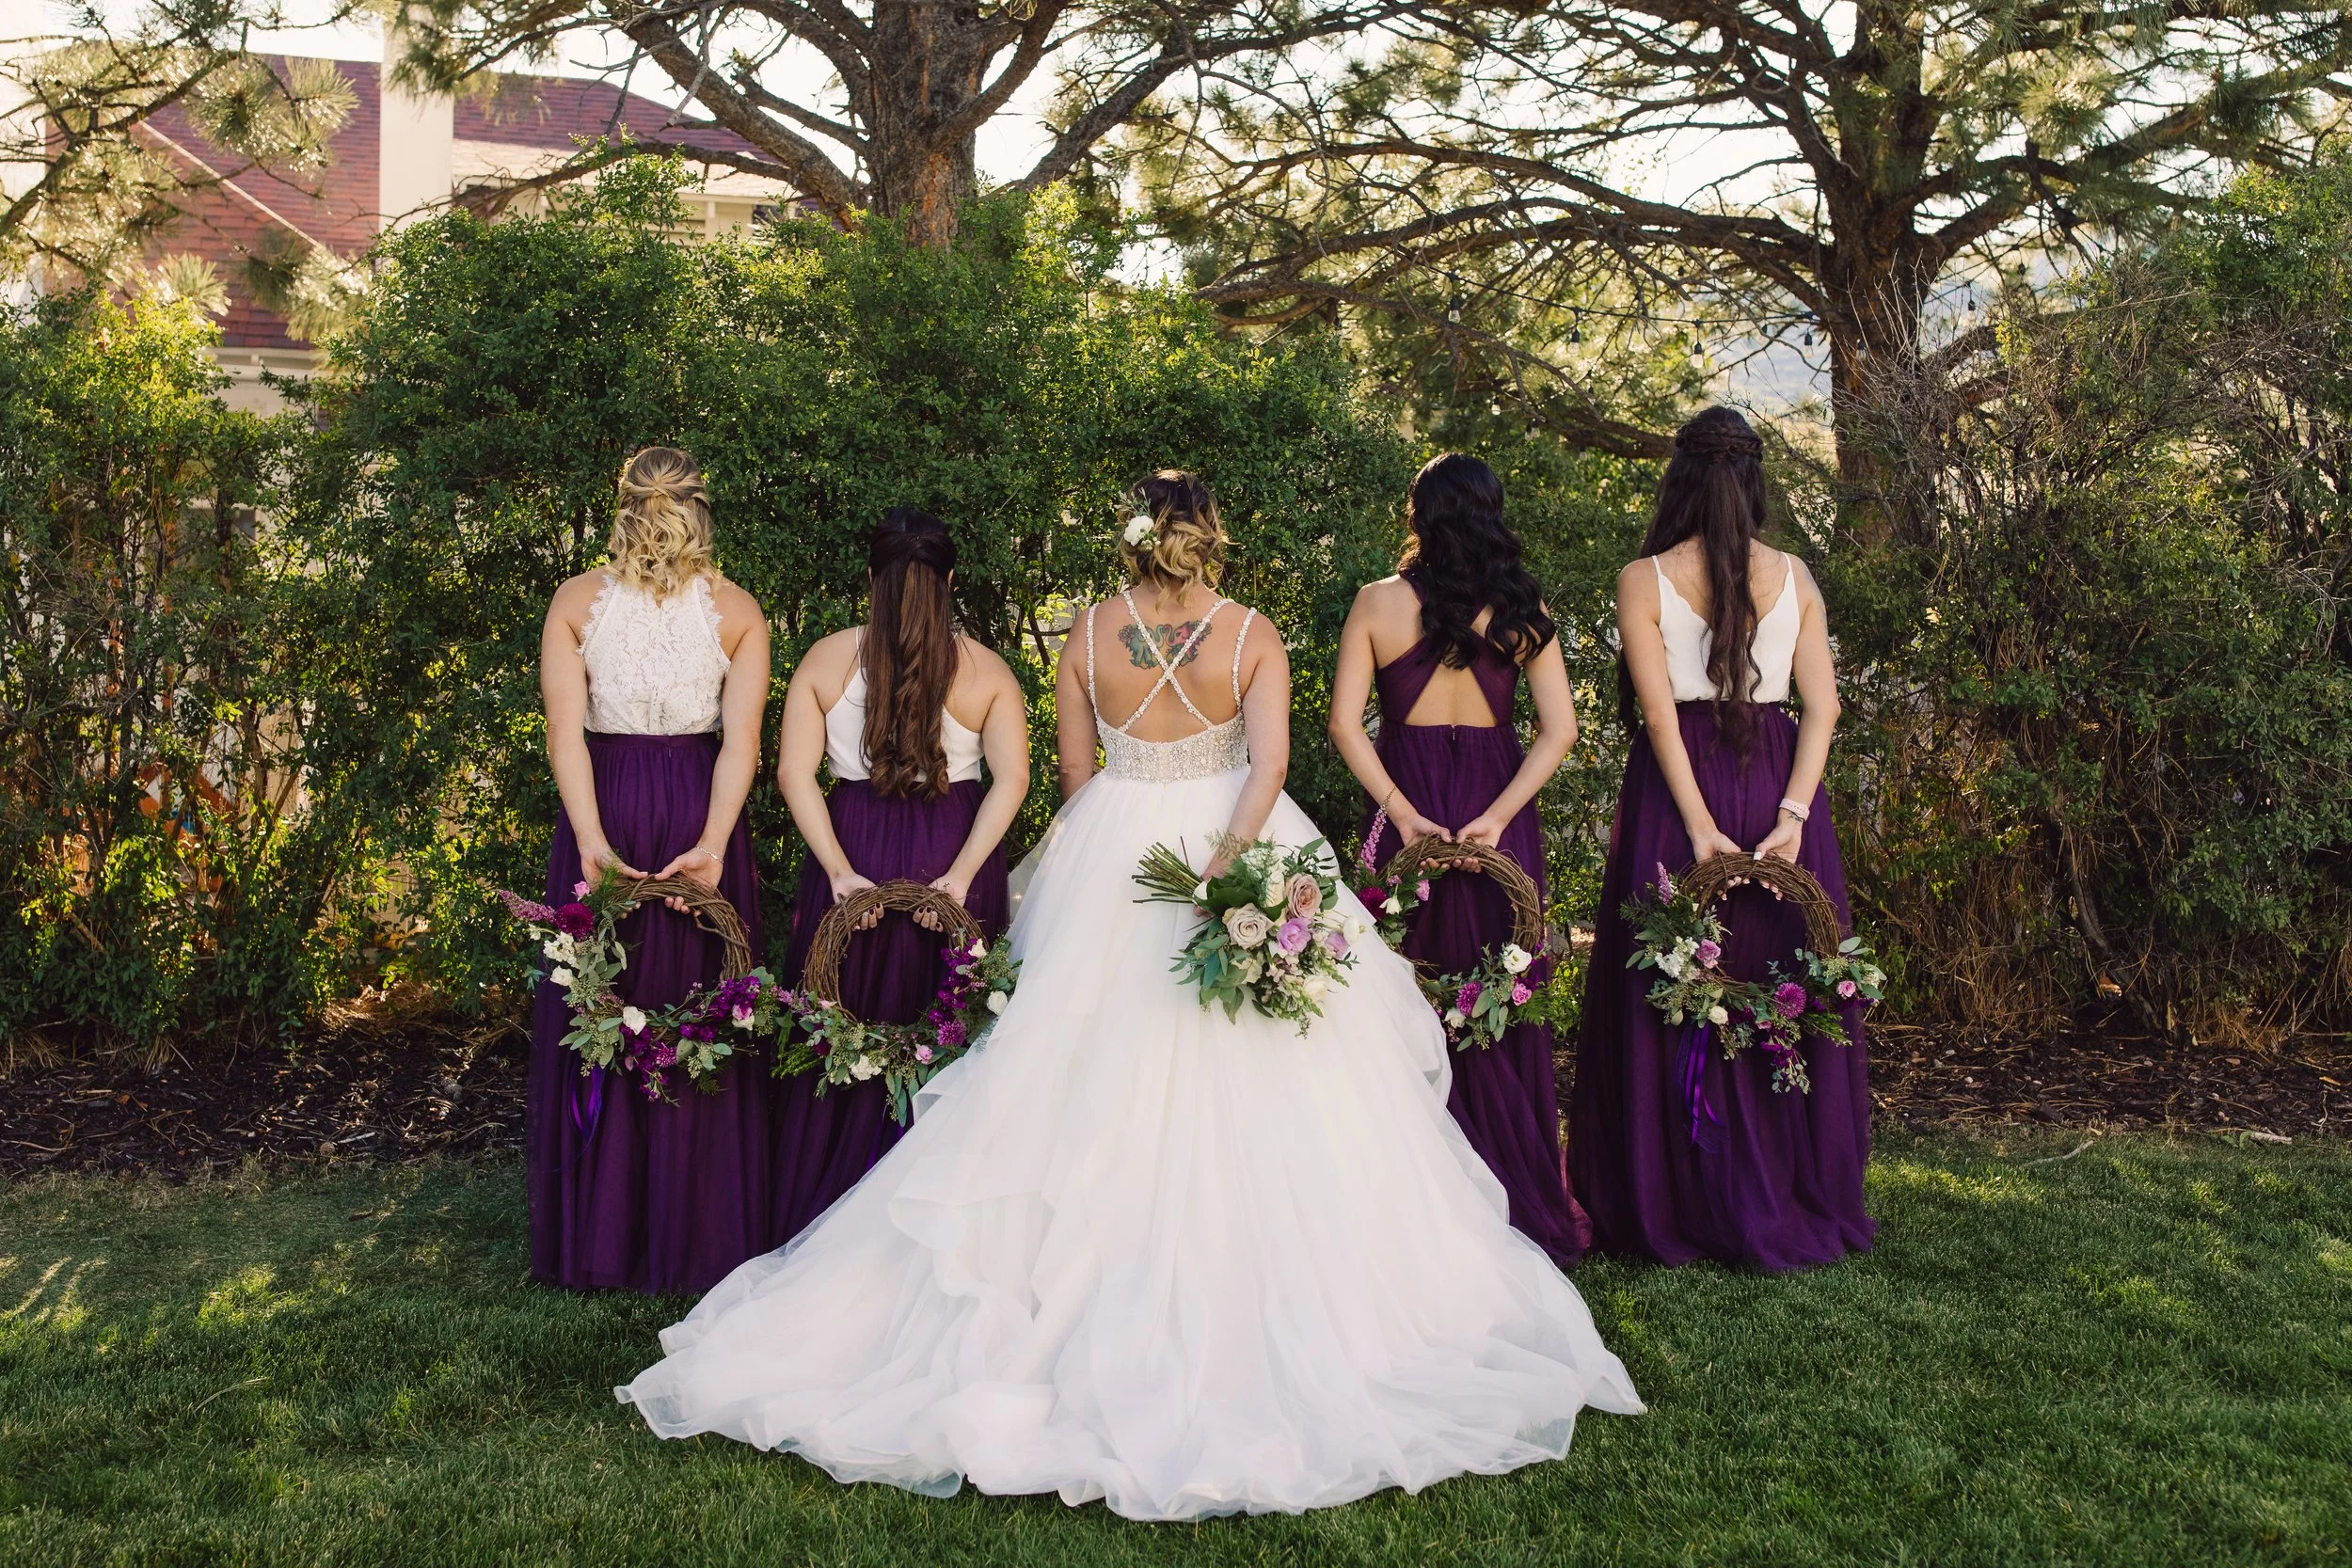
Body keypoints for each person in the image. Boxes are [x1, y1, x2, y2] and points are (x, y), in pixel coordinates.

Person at [616, 470, 1641, 1520]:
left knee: (1067, 1071)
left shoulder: (1089, 630)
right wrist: (1227, 872)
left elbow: (1071, 769)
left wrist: (1101, 862)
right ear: (1211, 538)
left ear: (1139, 539)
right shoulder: (1252, 634)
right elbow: (1270, 760)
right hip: (1236, 841)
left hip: (1114, 837)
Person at [1570, 407, 1875, 1271]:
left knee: (1673, 985)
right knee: (1776, 980)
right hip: (1777, 777)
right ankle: (1781, 1185)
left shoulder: (1644, 578)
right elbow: (1824, 708)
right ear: (1755, 478)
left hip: (1680, 793)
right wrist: (1790, 817)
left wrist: (1698, 825)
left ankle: (1677, 1196)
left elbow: (1659, 715)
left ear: (1681, 478)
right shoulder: (1798, 574)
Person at [1328, 452, 1592, 1268]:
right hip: (1493, 815)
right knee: (1497, 991)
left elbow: (1343, 725)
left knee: (1394, 991)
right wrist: (1497, 818)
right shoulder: (1521, 609)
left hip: (1408, 805)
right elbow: (1562, 730)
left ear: (1418, 515)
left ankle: (1403, 1195)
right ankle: (1509, 1185)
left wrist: (1402, 812)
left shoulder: (1376, 603)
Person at [528, 447, 777, 1293]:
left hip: (609, 802)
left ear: (623, 507)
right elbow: (741, 746)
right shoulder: (741, 612)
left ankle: (603, 1235)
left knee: (611, 1004)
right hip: (696, 810)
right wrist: (712, 842)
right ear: (702, 509)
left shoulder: (574, 602)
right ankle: (693, 1233)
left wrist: (591, 842)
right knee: (691, 1005)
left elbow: (567, 737)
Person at [771, 508, 1027, 1241]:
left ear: (870, 579)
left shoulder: (824, 660)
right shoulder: (987, 670)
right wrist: (959, 877)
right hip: (953, 847)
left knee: (842, 1016)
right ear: (950, 581)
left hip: (854, 840)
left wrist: (840, 871)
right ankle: (939, 1217)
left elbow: (793, 773)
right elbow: (1012, 780)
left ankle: (825, 1205)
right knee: (949, 1026)